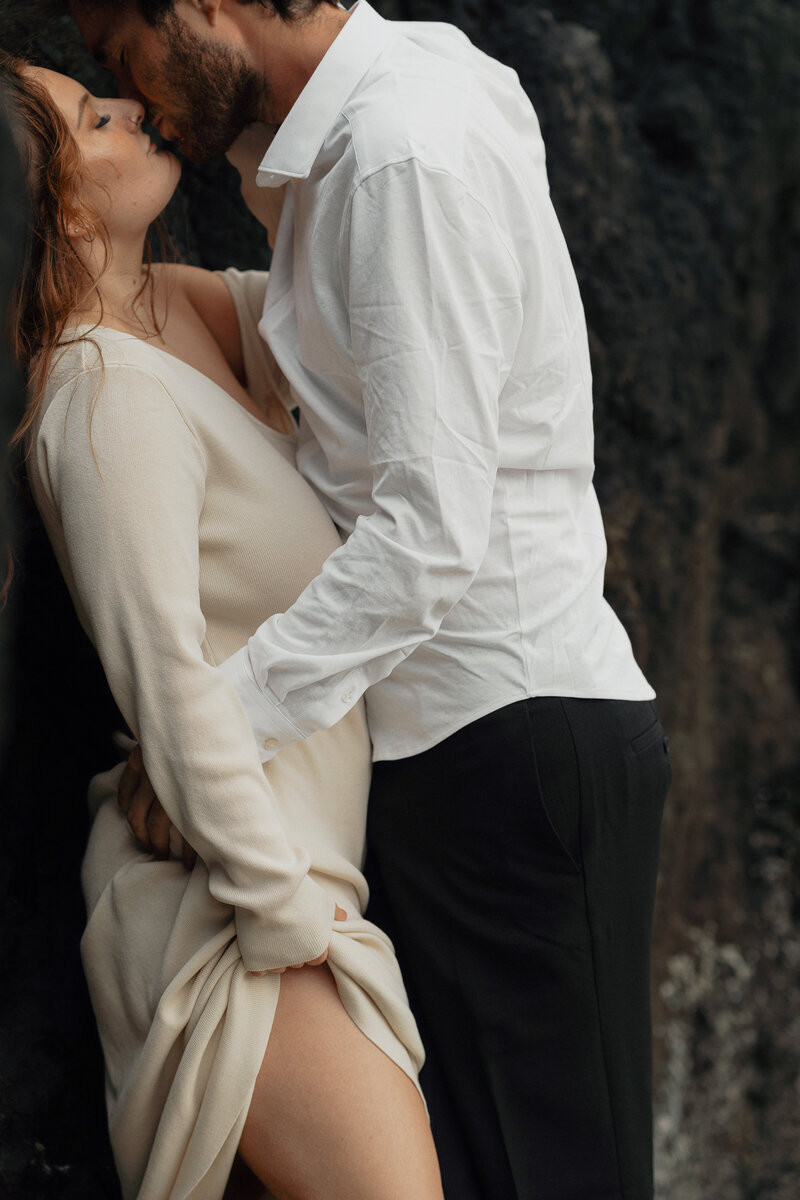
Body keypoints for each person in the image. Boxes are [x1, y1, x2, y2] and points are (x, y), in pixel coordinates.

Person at [58, 1, 672, 1197]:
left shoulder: (397, 152)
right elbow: (322, 351)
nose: (128, 84)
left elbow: (427, 537)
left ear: (195, 8)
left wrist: (206, 745)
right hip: (465, 744)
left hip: (503, 737)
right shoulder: (384, 111)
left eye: (118, 47)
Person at [2, 51, 445, 1200]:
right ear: (52, 199)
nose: (136, 110)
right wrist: (283, 917)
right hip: (230, 911)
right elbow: (163, 678)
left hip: (294, 886)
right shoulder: (102, 393)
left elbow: (342, 293)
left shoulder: (185, 310)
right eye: (93, 120)